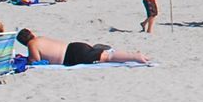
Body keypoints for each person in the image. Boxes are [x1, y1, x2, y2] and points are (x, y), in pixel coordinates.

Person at [14, 29, 149, 66]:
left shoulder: (32, 44)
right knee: (104, 55)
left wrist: (27, 59)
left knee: (108, 58)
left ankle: (135, 56)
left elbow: (35, 60)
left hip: (72, 56)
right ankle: (133, 55)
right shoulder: (40, 38)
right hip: (74, 46)